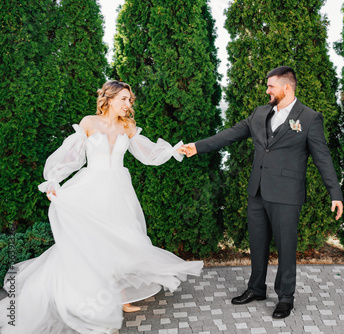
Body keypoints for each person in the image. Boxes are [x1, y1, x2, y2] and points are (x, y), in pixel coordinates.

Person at [0, 81, 203, 334]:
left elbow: (147, 153)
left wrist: (172, 150)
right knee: (93, 244)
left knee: (123, 240)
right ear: (109, 98)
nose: (129, 104)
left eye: (130, 100)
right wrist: (53, 179)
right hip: (90, 188)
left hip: (118, 191)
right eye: (124, 99)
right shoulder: (89, 123)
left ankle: (123, 298)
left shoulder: (127, 126)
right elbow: (70, 156)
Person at [182, 66, 343, 319]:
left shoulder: (309, 118)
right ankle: (256, 288)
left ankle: (286, 298)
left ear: (286, 88)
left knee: (286, 247)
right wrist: (197, 147)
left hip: (287, 195)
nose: (266, 90)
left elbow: (322, 158)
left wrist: (335, 193)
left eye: (271, 86)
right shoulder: (259, 113)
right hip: (257, 191)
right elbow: (231, 134)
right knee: (257, 245)